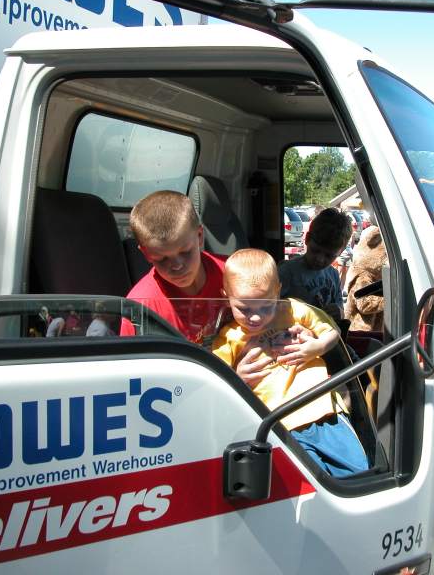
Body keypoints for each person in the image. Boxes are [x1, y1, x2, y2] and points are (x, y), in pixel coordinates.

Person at [213, 248, 368, 477]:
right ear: (226, 295)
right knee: (310, 482)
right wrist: (239, 376)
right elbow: (217, 378)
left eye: (266, 306)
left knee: (357, 473)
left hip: (324, 411)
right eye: (244, 309)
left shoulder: (293, 309)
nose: (256, 317)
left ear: (278, 291)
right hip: (280, 425)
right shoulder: (229, 336)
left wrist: (316, 347)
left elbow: (331, 330)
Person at [120, 190, 227, 343]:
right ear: (146, 254)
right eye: (162, 259)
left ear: (200, 236)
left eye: (185, 252)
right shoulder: (141, 307)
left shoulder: (233, 274)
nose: (177, 266)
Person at [278, 208, 352, 319]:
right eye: (315, 250)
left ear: (341, 251)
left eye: (329, 256)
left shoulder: (334, 275)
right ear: (307, 239)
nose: (320, 259)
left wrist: (339, 312)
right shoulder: (287, 271)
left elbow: (340, 308)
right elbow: (271, 308)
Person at [345, 226, 387, 332]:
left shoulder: (373, 277)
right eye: (385, 256)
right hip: (360, 332)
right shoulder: (362, 276)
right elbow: (364, 304)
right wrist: (389, 301)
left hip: (372, 332)